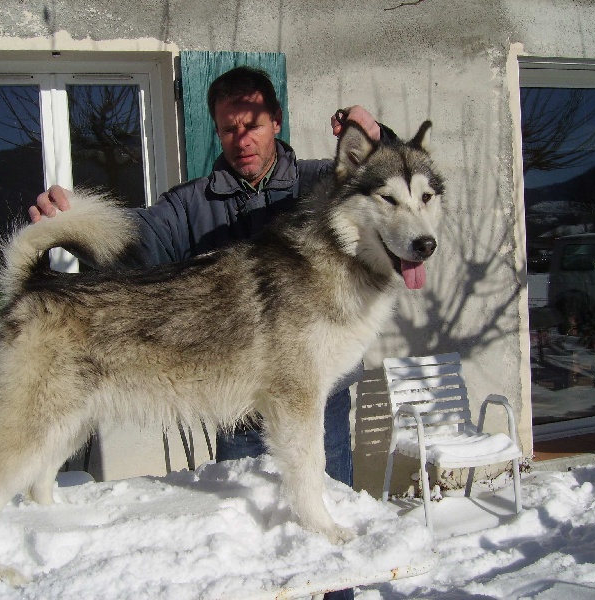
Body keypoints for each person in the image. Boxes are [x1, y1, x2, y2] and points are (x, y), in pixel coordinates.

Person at [32, 66, 383, 600]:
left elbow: (387, 187)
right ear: (217, 132)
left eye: (253, 125)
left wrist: (382, 139)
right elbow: (137, 237)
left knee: (328, 541)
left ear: (276, 121)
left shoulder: (321, 181)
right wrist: (73, 221)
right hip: (237, 398)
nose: (241, 139)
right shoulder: (192, 202)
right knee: (250, 544)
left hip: (318, 399)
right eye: (228, 128)